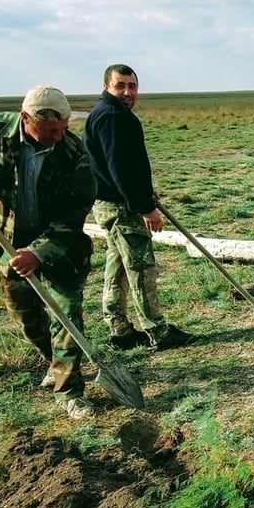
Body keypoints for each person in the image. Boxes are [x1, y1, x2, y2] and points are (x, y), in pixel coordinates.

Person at [0, 86, 98, 419]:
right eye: (49, 131)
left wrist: (39, 252)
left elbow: (75, 213)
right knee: (25, 313)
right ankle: (54, 360)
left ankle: (70, 391)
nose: (57, 137)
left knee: (66, 310)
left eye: (62, 129)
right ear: (25, 118)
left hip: (59, 245)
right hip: (6, 242)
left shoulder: (75, 153)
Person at [82, 63, 196, 350]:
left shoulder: (106, 113)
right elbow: (120, 168)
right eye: (120, 86)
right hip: (121, 208)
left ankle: (119, 330)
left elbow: (117, 167)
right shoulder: (112, 117)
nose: (127, 92)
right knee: (140, 267)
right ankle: (158, 331)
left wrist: (145, 191)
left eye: (132, 86)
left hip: (109, 203)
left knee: (118, 264)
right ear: (106, 86)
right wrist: (145, 207)